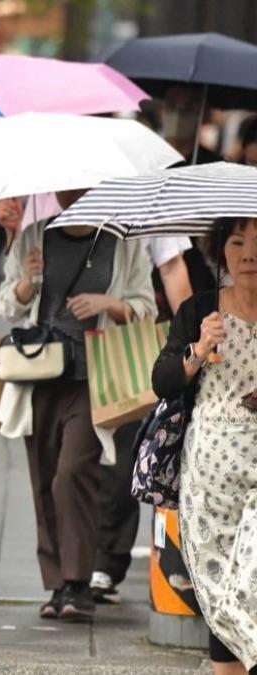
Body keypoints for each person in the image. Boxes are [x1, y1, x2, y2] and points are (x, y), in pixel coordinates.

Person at [0, 191, 156, 623]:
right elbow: (9, 304)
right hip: (40, 377)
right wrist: (29, 280)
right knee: (45, 478)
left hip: (96, 380)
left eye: (84, 187)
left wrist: (111, 305)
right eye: (67, 188)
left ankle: (79, 582)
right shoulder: (35, 236)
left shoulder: (121, 243)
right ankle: (57, 585)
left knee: (72, 473)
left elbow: (146, 307)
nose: (74, 194)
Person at [152, 217, 257, 675]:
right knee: (219, 587)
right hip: (209, 477)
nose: (250, 254)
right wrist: (197, 350)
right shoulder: (200, 312)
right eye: (238, 242)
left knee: (249, 582)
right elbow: (162, 381)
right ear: (222, 251)